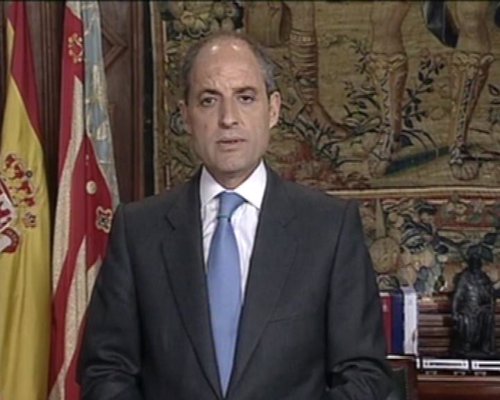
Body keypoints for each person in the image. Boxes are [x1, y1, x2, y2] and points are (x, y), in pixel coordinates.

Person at [79, 31, 392, 400]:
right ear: (186, 115)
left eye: (245, 98)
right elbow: (105, 371)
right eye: (209, 100)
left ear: (273, 110)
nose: (228, 118)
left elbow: (364, 374)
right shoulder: (138, 230)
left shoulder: (329, 228)